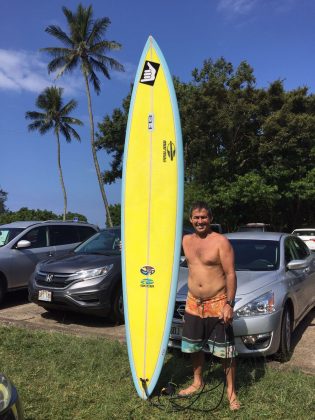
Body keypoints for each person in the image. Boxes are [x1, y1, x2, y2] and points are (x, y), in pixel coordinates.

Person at [179, 201, 240, 411]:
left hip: (217, 302)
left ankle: (231, 392)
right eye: (196, 217)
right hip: (193, 303)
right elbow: (157, 249)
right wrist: (128, 247)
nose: (200, 221)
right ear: (190, 219)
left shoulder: (221, 242)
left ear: (210, 219)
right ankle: (198, 382)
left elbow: (231, 273)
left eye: (204, 217)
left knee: (226, 352)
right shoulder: (185, 240)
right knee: (194, 347)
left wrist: (229, 304)